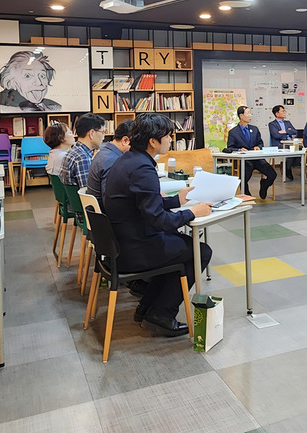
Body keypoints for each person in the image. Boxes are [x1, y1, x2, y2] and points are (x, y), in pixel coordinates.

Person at [103, 113, 212, 337]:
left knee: (181, 247)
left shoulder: (129, 160)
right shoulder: (143, 168)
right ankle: (161, 313)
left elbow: (144, 204)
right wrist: (192, 212)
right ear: (153, 141)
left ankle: (148, 308)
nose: (171, 139)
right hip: (134, 249)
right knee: (199, 251)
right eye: (168, 136)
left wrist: (176, 201)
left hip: (121, 244)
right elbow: (159, 220)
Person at [226, 105, 277, 199]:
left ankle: (264, 185)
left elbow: (260, 143)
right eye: (248, 113)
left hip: (256, 159)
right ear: (241, 116)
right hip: (243, 160)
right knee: (244, 176)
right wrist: (239, 149)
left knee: (272, 174)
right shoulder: (233, 132)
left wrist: (258, 147)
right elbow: (230, 147)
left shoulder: (254, 129)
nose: (251, 115)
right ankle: (246, 195)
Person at [86, 119, 133, 202]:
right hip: (103, 208)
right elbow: (110, 200)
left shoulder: (105, 153)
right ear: (125, 141)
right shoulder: (113, 161)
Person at [59, 113, 105, 188]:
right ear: (92, 133)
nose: (103, 137)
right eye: (102, 132)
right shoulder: (82, 158)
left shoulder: (74, 151)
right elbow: (87, 191)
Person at [268, 104, 298, 181]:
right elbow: (276, 135)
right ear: (277, 114)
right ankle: (287, 169)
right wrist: (287, 134)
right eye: (283, 111)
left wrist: (284, 131)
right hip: (279, 144)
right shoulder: (272, 124)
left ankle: (286, 167)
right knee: (291, 151)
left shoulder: (287, 122)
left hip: (290, 143)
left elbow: (295, 132)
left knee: (298, 151)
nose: (285, 113)